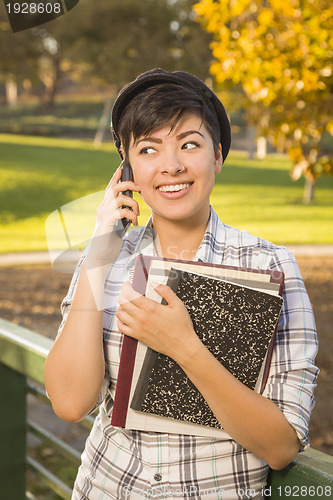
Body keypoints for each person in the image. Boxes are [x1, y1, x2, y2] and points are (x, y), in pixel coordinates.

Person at [44, 69, 319, 500]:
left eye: (189, 143)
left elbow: (282, 445)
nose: (171, 165)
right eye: (149, 149)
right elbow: (70, 402)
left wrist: (185, 347)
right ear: (127, 170)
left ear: (218, 157)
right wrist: (97, 259)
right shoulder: (103, 258)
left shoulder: (272, 266)